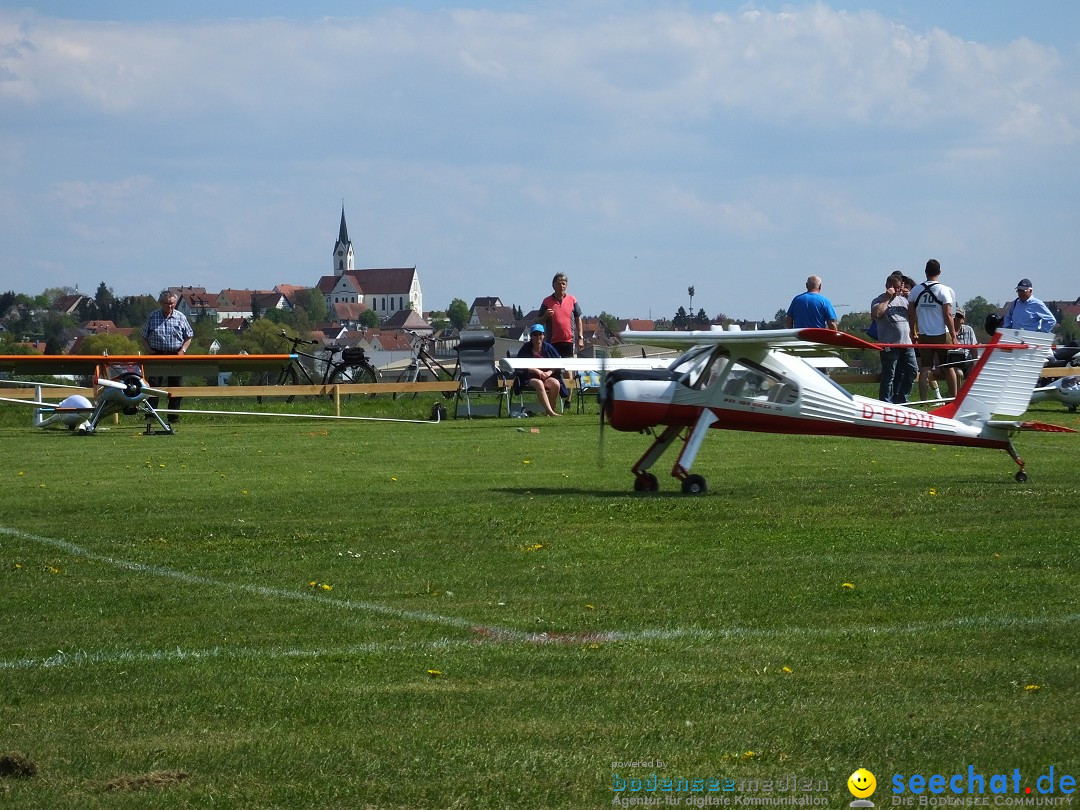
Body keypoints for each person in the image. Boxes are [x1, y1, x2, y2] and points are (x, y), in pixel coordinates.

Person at [141, 290, 194, 424]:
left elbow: (189, 336)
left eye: (171, 303)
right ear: (161, 303)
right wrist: (150, 351)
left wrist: (183, 350)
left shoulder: (181, 317)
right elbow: (143, 336)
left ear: (175, 303)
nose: (169, 306)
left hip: (175, 355)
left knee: (176, 387)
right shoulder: (152, 317)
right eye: (166, 303)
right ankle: (151, 416)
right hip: (156, 355)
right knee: (153, 388)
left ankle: (173, 417)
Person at [908, 259, 957, 401]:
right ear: (939, 272)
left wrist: (913, 332)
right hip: (942, 335)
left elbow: (911, 314)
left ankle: (924, 400)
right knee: (948, 367)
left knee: (924, 369)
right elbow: (948, 314)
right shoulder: (944, 290)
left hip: (924, 335)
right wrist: (954, 336)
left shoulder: (916, 290)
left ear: (925, 272)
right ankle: (954, 398)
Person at [870, 272, 918, 403]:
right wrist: (887, 298)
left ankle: (902, 399)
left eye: (899, 287)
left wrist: (911, 299)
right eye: (894, 287)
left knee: (913, 371)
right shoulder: (878, 300)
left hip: (906, 344)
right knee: (889, 376)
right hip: (889, 345)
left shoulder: (904, 300)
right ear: (888, 286)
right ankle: (885, 403)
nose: (897, 290)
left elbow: (914, 315)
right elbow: (876, 314)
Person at [514, 324, 568, 416]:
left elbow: (558, 363)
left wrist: (549, 372)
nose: (538, 337)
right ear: (531, 336)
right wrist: (535, 370)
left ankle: (549, 411)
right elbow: (519, 366)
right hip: (529, 377)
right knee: (539, 383)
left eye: (540, 334)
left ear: (543, 335)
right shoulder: (525, 348)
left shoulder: (549, 347)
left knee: (556, 384)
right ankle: (551, 412)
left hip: (547, 376)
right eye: (535, 334)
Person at [539, 273, 584, 358]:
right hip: (552, 342)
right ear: (553, 285)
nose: (561, 286)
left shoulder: (572, 300)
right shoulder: (547, 301)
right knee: (554, 369)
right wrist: (545, 316)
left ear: (566, 286)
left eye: (563, 284)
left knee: (568, 369)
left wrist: (580, 338)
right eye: (558, 284)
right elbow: (538, 322)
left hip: (569, 341)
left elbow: (578, 319)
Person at [950, 308, 979, 385]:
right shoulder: (947, 330)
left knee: (973, 373)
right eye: (955, 316)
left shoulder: (969, 330)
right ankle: (957, 395)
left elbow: (974, 348)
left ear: (963, 319)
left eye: (959, 316)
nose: (956, 318)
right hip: (953, 362)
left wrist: (974, 363)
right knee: (959, 374)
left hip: (967, 361)